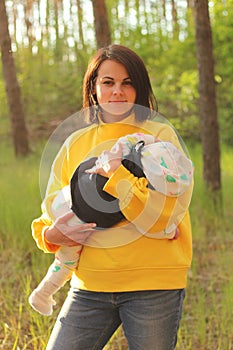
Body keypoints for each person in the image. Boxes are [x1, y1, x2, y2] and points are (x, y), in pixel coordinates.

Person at [30, 44, 194, 350]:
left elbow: (166, 214)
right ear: (93, 89)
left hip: (153, 285)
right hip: (89, 285)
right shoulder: (75, 143)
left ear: (139, 88)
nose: (117, 91)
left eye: (127, 82)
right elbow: (54, 208)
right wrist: (52, 234)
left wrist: (115, 178)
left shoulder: (159, 138)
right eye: (108, 82)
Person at [29, 132, 193, 316]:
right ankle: (42, 294)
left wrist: (150, 140)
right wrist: (169, 231)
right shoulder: (135, 189)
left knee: (65, 260)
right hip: (77, 219)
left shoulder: (130, 149)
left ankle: (42, 294)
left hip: (65, 197)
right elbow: (147, 222)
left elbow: (127, 139)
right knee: (66, 263)